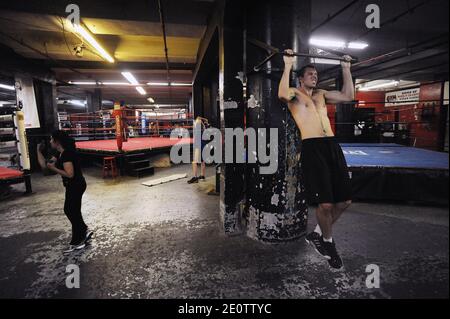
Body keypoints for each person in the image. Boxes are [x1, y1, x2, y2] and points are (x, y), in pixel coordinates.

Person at [278, 49, 354, 269]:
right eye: (310, 74)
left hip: (332, 146)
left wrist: (346, 69)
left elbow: (348, 96)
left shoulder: (321, 94)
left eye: (316, 74)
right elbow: (281, 94)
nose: (314, 76)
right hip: (312, 147)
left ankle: (318, 234)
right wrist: (288, 64)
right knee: (326, 203)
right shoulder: (294, 94)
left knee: (345, 201)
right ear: (301, 78)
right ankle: (328, 243)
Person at [37, 131, 93, 253]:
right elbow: (46, 166)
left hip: (75, 185)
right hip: (74, 185)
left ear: (57, 142)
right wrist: (38, 151)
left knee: (70, 210)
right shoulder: (60, 152)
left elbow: (70, 174)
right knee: (73, 210)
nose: (50, 141)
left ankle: (79, 240)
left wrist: (55, 169)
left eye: (52, 139)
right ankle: (83, 231)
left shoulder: (67, 154)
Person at [187, 117, 208, 184]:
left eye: (196, 123)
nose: (194, 124)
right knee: (202, 161)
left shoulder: (198, 131)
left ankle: (195, 177)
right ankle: (202, 176)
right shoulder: (204, 128)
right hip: (204, 145)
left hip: (200, 145)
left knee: (194, 162)